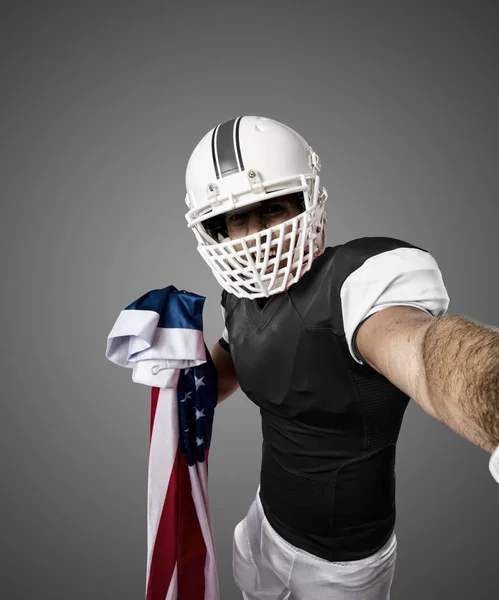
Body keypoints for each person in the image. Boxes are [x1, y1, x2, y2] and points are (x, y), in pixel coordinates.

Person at [183, 116, 499, 599]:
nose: (253, 236)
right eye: (236, 219)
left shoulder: (353, 285)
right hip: (263, 522)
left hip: (342, 567)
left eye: (270, 209)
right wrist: (177, 369)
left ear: (307, 201)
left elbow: (423, 352)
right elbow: (235, 359)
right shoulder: (239, 297)